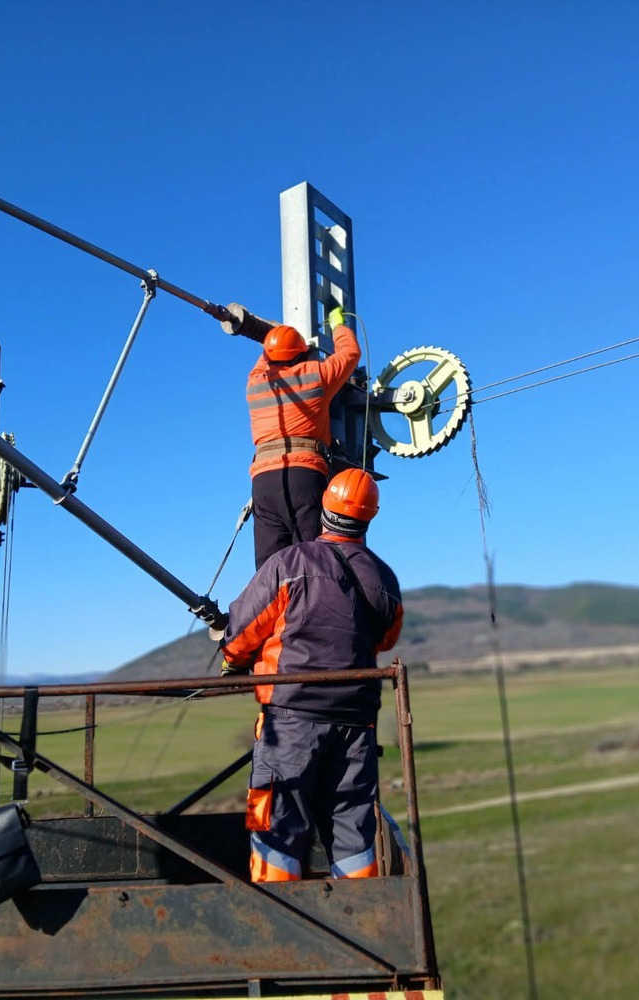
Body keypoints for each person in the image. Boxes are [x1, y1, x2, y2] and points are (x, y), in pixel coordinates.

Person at [218, 468, 403, 883]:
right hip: (356, 724)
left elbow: (242, 631)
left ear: (324, 509)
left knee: (278, 830)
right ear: (369, 518)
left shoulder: (290, 563)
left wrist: (231, 656)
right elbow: (387, 637)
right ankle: (362, 920)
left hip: (290, 721)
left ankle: (283, 923)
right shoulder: (385, 579)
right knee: (353, 831)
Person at [246, 305, 361, 569]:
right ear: (303, 354)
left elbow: (266, 356)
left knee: (269, 570)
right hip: (305, 476)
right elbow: (350, 353)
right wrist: (337, 323)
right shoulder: (316, 375)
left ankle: (272, 608)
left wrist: (274, 335)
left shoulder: (255, 382)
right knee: (311, 563)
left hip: (263, 483)